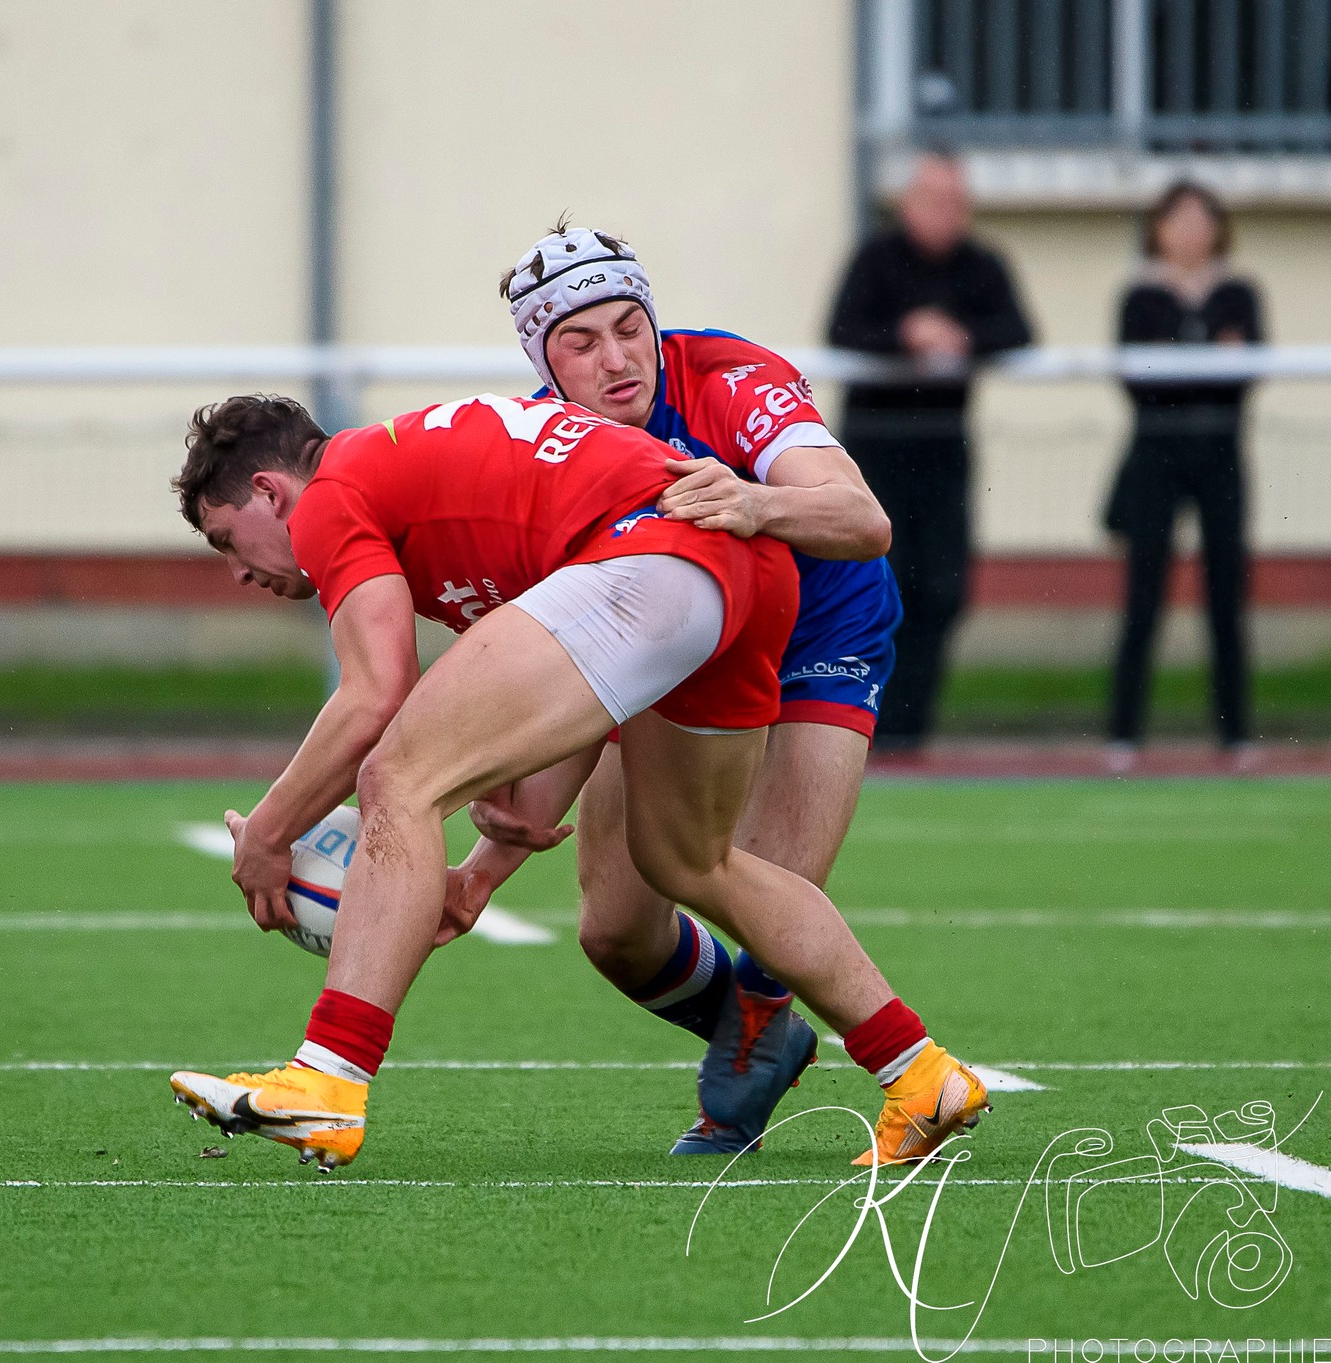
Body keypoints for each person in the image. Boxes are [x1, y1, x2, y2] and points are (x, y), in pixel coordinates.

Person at [164, 381, 988, 1172]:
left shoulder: (334, 490)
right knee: (691, 862)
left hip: (658, 555)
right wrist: (483, 873)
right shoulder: (431, 483)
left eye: (227, 538)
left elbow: (376, 693)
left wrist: (269, 837)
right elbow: (584, 671)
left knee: (398, 780)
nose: (239, 571)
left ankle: (328, 1077)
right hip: (741, 572)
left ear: (272, 492)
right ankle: (920, 1073)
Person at [441, 224, 906, 1156]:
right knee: (614, 932)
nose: (618, 360)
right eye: (583, 342)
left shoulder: (732, 379)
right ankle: (761, 1030)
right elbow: (581, 663)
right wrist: (484, 871)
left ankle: (775, 1037)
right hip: (677, 645)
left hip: (820, 627)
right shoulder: (545, 447)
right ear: (545, 363)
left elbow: (864, 518)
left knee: (770, 902)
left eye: (630, 327)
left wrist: (755, 502)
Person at [827, 151, 1033, 751]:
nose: (947, 214)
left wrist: (963, 337)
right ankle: (866, 727)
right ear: (907, 204)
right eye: (934, 200)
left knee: (941, 588)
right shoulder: (875, 260)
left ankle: (911, 733)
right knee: (875, 585)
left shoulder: (983, 265)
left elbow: (1019, 331)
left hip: (944, 447)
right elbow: (841, 331)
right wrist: (905, 336)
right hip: (876, 450)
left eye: (957, 203)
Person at [1105, 181, 1263, 763]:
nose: (1192, 230)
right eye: (1179, 218)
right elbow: (1138, 379)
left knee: (1227, 593)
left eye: (1203, 218)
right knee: (1143, 593)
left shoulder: (1238, 291)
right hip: (1156, 456)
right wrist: (1204, 362)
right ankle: (1122, 735)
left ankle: (1237, 734)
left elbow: (1246, 372)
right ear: (1158, 228)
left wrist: (1189, 365)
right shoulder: (1140, 293)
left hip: (1221, 456)